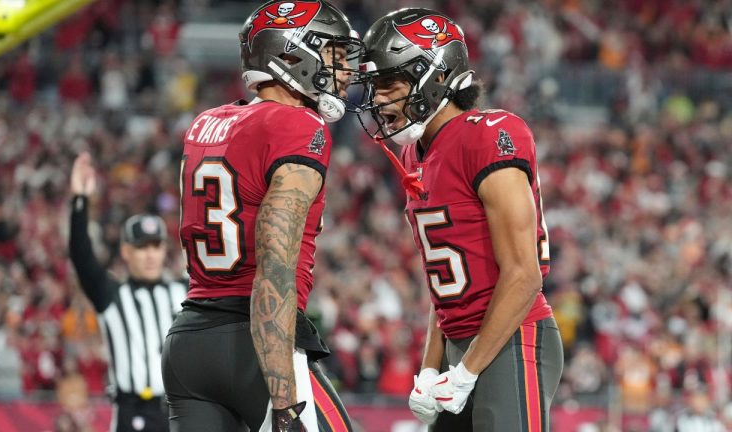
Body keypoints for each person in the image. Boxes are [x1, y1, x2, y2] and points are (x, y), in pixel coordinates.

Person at [356, 8, 564, 431]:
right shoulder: (414, 153)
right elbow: (446, 283)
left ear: (435, 77)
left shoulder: (487, 134)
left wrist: (467, 370)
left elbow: (524, 274)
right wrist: (430, 368)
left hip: (511, 340)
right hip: (461, 347)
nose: (378, 98)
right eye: (375, 86)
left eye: (389, 84)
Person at [160, 1, 361, 431]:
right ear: (291, 55)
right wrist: (285, 399)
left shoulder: (207, 122)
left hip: (188, 341)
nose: (343, 71)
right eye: (334, 56)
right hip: (252, 346)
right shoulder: (297, 125)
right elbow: (274, 262)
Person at [69, 152, 187, 432]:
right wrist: (79, 201)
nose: (149, 255)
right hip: (132, 412)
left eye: (155, 246)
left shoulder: (183, 292)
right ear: (125, 251)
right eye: (141, 247)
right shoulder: (112, 295)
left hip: (178, 411)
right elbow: (81, 257)